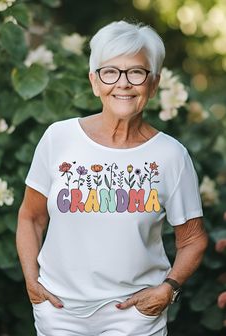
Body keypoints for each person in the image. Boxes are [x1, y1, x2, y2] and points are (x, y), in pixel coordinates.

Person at [16, 20, 208, 336]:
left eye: (136, 72)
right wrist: (31, 281)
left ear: (154, 83)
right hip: (59, 313)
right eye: (110, 72)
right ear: (94, 81)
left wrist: (169, 288)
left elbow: (192, 239)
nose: (123, 83)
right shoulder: (58, 138)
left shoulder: (172, 156)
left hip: (134, 317)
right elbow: (30, 217)